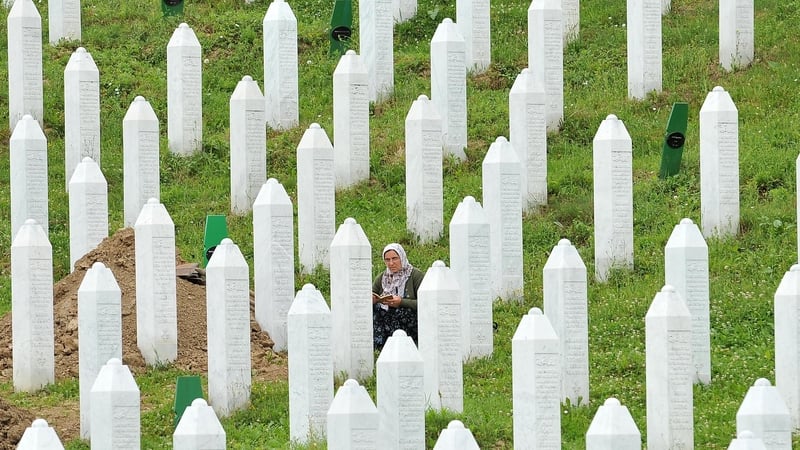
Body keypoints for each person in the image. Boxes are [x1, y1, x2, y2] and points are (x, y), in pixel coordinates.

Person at [372, 243, 425, 350]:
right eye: (387, 260)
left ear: (402, 257)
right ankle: (380, 346)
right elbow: (372, 293)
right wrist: (374, 300)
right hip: (386, 320)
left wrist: (401, 302)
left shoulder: (416, 276)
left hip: (410, 321)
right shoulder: (382, 278)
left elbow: (426, 303)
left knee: (401, 312)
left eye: (395, 258)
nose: (391, 263)